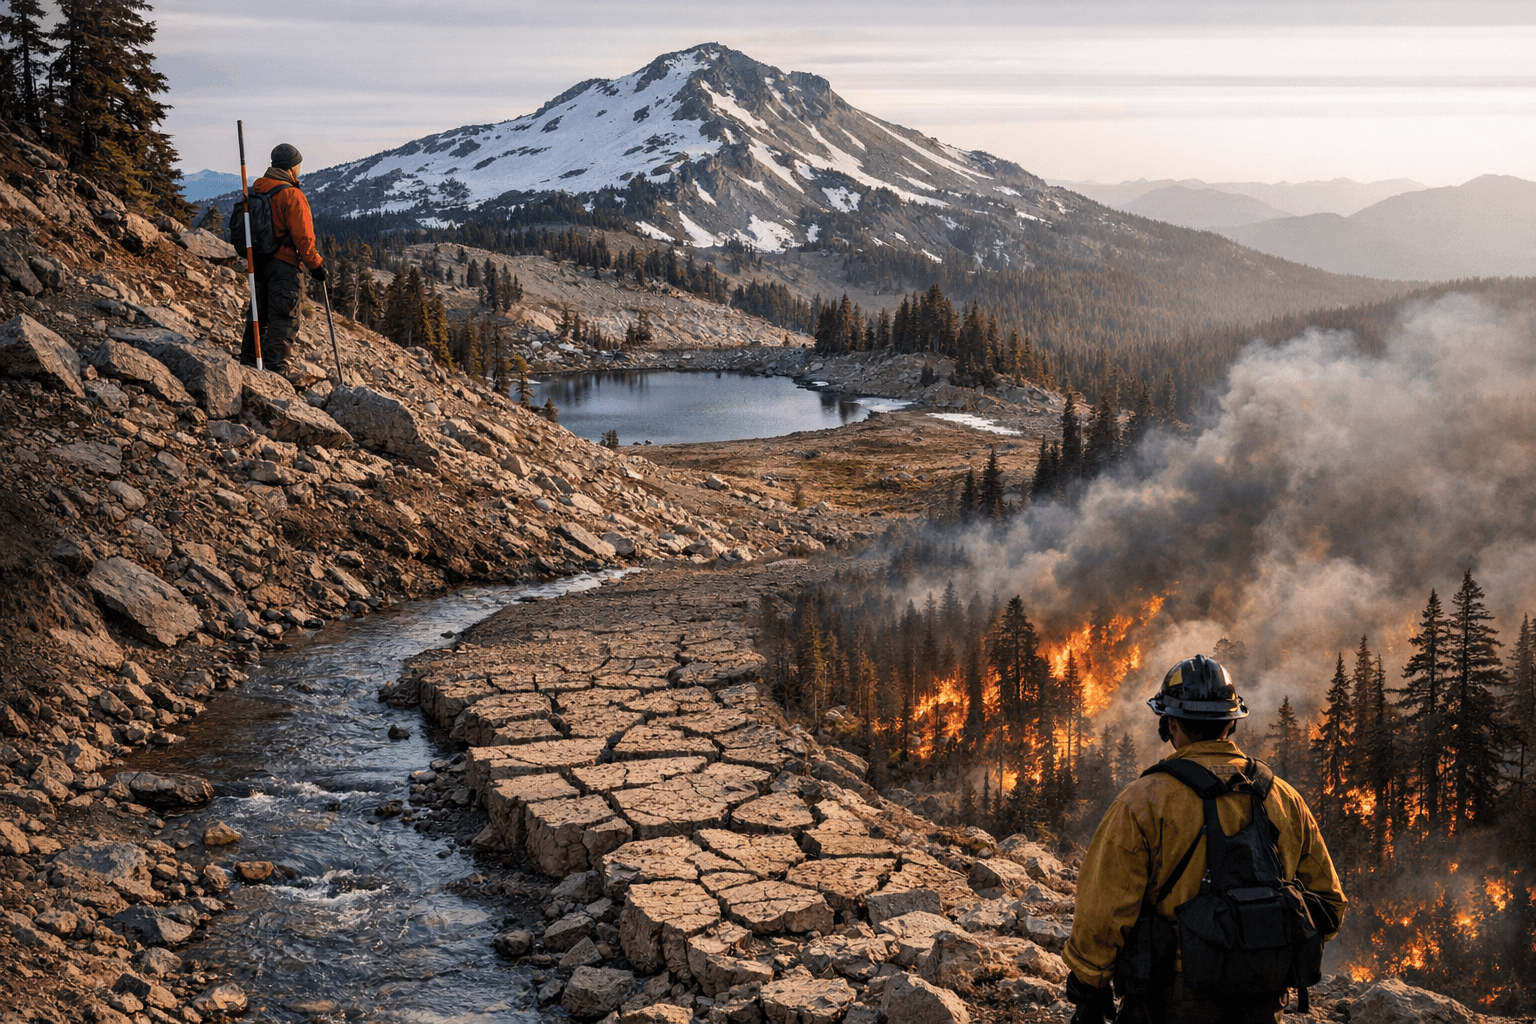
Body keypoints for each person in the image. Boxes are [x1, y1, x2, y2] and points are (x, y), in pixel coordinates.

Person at [1063, 655, 1347, 1024]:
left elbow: (1103, 909)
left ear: (1170, 725)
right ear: (1231, 722)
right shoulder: (1283, 798)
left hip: (1171, 999)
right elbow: (1329, 904)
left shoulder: (1144, 801)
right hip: (1263, 1001)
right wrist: (1265, 951)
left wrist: (1089, 988)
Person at [239, 143, 325, 374]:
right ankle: (275, 370)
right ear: (291, 168)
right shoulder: (291, 195)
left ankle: (248, 363)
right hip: (284, 265)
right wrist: (316, 266)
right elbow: (303, 238)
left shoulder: (258, 190)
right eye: (298, 165)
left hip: (257, 262)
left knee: (258, 315)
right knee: (283, 317)